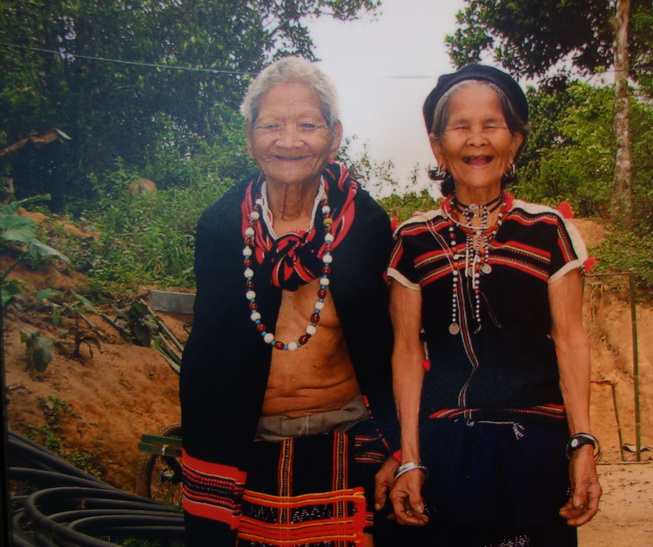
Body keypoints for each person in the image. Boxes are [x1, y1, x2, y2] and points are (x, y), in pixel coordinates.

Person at [179, 57, 400, 546]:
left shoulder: (362, 226)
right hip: (242, 441)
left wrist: (402, 444)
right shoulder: (221, 227)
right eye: (272, 125)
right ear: (249, 136)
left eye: (307, 124)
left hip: (348, 434)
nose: (289, 140)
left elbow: (386, 342)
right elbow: (211, 350)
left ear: (335, 135)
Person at [386, 64, 602, 546]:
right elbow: (405, 351)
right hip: (448, 449)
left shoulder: (548, 231)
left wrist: (582, 443)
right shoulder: (415, 238)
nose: (476, 139)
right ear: (438, 145)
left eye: (491, 125)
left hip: (537, 449)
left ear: (516, 141)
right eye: (460, 126)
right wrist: (412, 457)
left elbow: (569, 340)